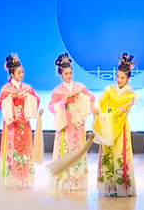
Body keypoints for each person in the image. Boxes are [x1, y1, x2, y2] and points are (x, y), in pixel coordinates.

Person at [48, 53, 95, 191]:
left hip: (77, 125)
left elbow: (91, 97)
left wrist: (81, 97)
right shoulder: (58, 91)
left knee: (77, 149)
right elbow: (51, 107)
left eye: (70, 73)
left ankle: (77, 181)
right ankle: (64, 181)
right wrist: (63, 102)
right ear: (60, 74)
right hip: (65, 125)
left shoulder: (80, 87)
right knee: (65, 150)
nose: (69, 76)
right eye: (66, 73)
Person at [92, 53, 137, 197]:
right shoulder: (109, 90)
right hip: (107, 125)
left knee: (120, 153)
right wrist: (97, 107)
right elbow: (101, 101)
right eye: (117, 76)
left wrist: (108, 117)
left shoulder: (131, 95)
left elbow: (122, 112)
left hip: (120, 126)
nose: (119, 80)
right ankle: (109, 186)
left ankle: (121, 187)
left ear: (128, 78)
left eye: (122, 77)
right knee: (107, 153)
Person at [0, 53, 41, 189]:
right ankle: (12, 179)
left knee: (24, 149)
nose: (21, 75)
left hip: (24, 122)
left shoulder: (27, 88)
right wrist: (10, 98)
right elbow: (0, 103)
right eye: (19, 72)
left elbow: (36, 99)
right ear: (12, 74)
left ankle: (25, 179)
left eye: (22, 72)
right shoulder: (6, 89)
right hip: (12, 124)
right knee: (12, 148)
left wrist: (27, 97)